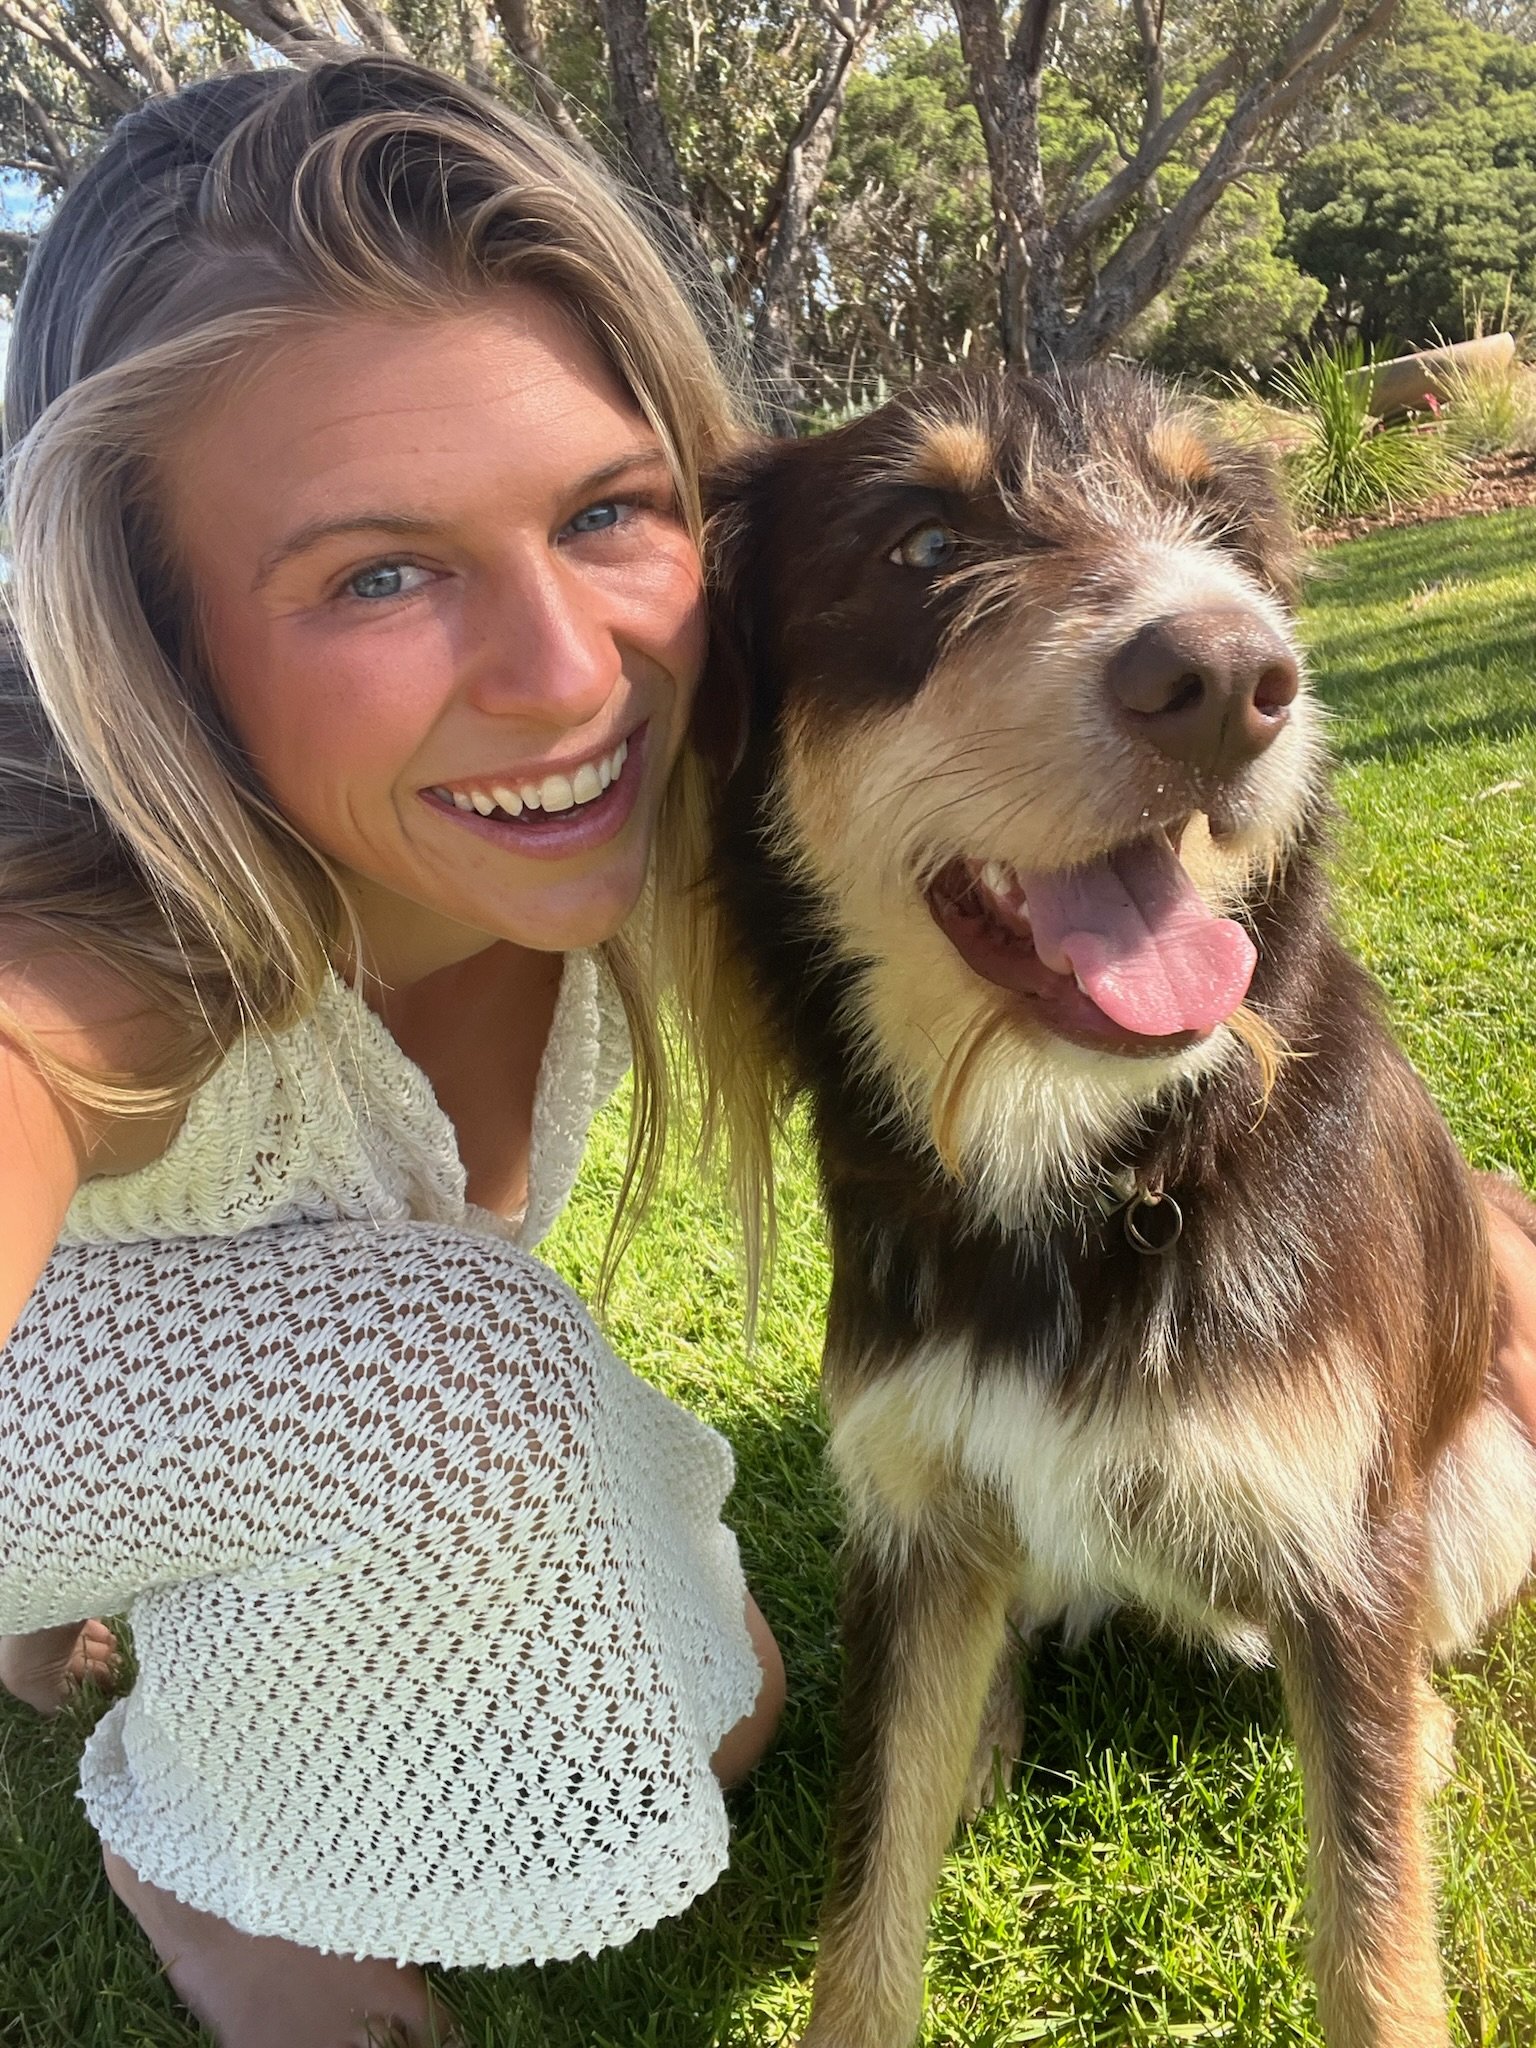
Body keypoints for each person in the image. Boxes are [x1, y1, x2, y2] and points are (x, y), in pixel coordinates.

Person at [0, 55, 782, 2048]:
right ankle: (185, 1840)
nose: (567, 674)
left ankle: (113, 1605)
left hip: (180, 1386)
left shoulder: (696, 777)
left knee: (730, 1703)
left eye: (607, 508)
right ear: (158, 645)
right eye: (379, 572)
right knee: (457, 1384)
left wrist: (1437, 1253)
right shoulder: (118, 925)